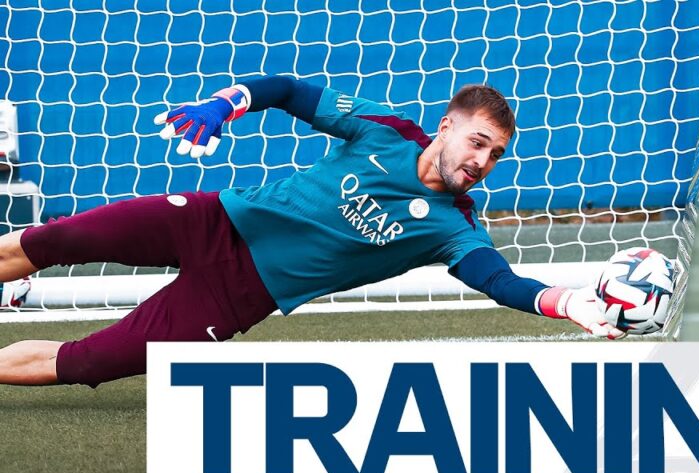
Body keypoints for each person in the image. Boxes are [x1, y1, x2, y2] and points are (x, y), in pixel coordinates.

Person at [0, 77, 624, 388]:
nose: (481, 162)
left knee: (88, 363)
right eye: (478, 143)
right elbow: (293, 92)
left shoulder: (454, 228)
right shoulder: (383, 133)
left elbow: (501, 281)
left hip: (236, 297)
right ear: (446, 127)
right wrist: (226, 104)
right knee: (51, 243)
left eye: (495, 156)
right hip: (210, 220)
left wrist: (567, 303)